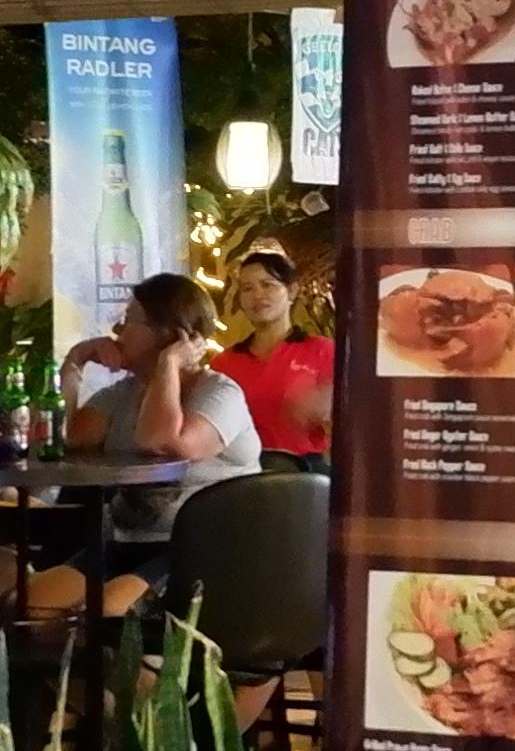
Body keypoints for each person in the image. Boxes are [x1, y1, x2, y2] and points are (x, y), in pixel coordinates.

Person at [60, 270, 263, 612]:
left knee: (105, 613)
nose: (117, 332)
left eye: (129, 321)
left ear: (172, 334)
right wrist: (75, 361)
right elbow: (69, 439)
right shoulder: (122, 393)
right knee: (35, 605)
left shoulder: (220, 393)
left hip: (201, 551)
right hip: (125, 543)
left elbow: (161, 444)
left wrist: (169, 362)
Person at [216, 240, 334, 469]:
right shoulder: (224, 364)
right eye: (247, 288)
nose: (258, 295)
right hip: (240, 475)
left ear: (291, 291)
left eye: (267, 285)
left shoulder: (323, 351)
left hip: (303, 474)